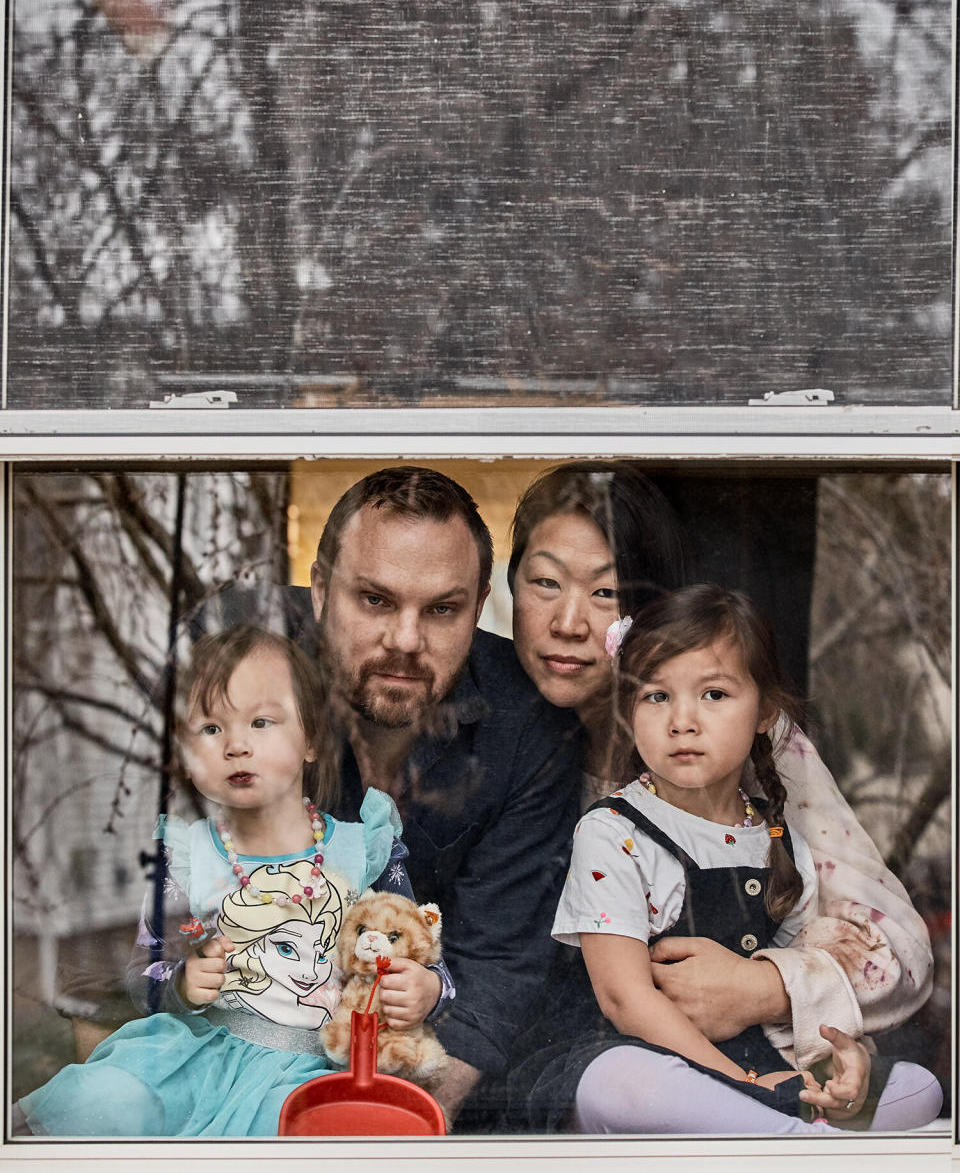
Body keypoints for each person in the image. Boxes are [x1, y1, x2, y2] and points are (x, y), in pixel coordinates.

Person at [506, 461, 936, 1128]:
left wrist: (767, 987)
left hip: (753, 1067)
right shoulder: (494, 725)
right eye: (544, 583)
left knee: (912, 1091)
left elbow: (902, 954)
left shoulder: (751, 754)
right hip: (607, 1077)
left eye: (605, 592)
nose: (568, 621)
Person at [13, 625, 440, 1138]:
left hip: (311, 1072)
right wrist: (181, 983)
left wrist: (429, 988)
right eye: (211, 729)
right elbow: (141, 972)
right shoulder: (184, 851)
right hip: (194, 1059)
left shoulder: (363, 847)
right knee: (108, 1101)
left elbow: (421, 950)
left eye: (261, 722)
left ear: (311, 739)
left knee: (298, 1136)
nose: (236, 745)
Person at [302, 465, 582, 1128]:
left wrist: (397, 1135)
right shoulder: (250, 684)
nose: (405, 639)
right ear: (320, 593)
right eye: (374, 600)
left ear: (480, 603)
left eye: (441, 610)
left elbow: (500, 969)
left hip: (431, 1069)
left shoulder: (527, 727)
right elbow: (178, 908)